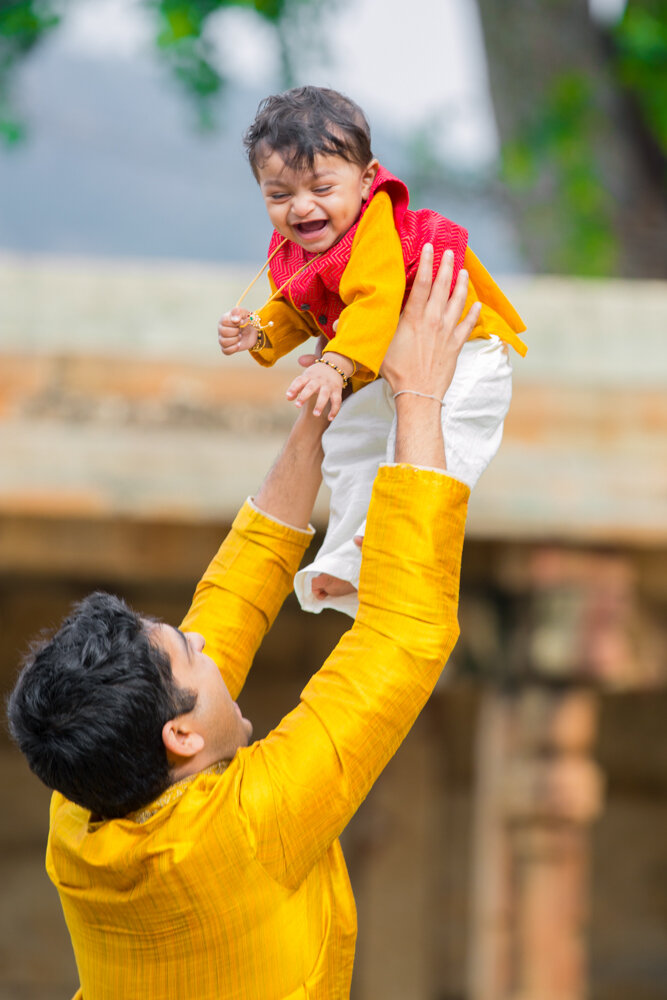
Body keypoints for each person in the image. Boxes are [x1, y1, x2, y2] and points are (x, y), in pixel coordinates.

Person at [8, 246, 478, 1000]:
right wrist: (418, 396)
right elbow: (403, 632)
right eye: (193, 656)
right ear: (181, 738)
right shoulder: (254, 824)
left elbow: (231, 599)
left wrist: (322, 415)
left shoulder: (83, 808)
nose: (206, 640)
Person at [218, 85, 526, 617]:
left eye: (321, 187)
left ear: (365, 181)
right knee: (349, 445)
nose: (302, 207)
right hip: (377, 367)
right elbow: (300, 307)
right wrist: (260, 333)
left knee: (451, 432)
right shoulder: (297, 249)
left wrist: (335, 366)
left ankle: (405, 526)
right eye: (279, 195)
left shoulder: (375, 226)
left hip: (463, 351)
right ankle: (348, 556)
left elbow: (376, 300)